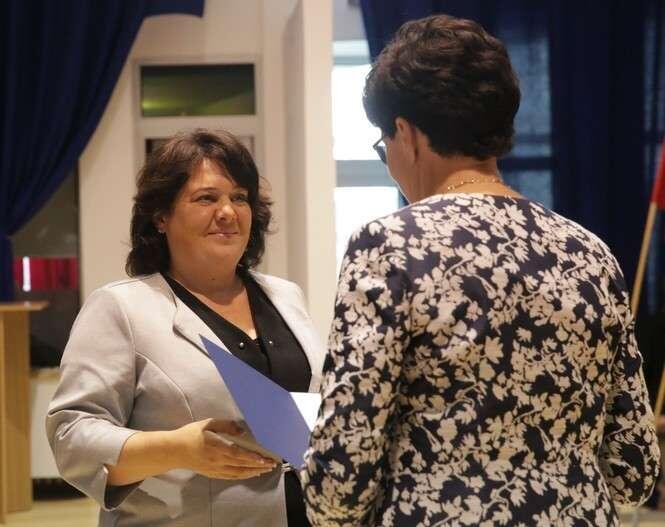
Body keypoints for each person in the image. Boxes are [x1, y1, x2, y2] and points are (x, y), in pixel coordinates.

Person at [301, 14, 660, 526]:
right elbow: (633, 471)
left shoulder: (390, 246)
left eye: (384, 148)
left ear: (406, 134)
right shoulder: (590, 255)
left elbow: (340, 481)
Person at [47, 129, 324, 526]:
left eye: (239, 197)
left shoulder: (285, 295)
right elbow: (71, 437)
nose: (227, 212)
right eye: (206, 198)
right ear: (161, 216)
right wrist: (177, 448)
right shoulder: (120, 308)